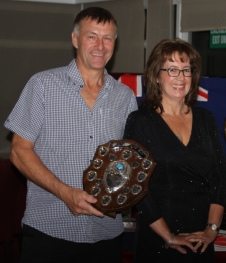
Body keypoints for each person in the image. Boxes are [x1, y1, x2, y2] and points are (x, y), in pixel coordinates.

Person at [4, 7, 137, 262]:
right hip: (50, 232)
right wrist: (65, 193)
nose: (100, 45)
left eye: (107, 37)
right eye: (92, 36)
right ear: (75, 39)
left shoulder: (125, 97)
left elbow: (126, 161)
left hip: (106, 235)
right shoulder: (42, 85)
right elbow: (19, 152)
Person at [123, 38, 226, 262]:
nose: (180, 78)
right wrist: (169, 237)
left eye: (186, 70)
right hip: (157, 238)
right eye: (172, 69)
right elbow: (137, 187)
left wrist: (211, 229)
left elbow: (219, 178)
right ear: (156, 76)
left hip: (201, 240)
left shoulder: (206, 119)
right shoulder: (140, 121)